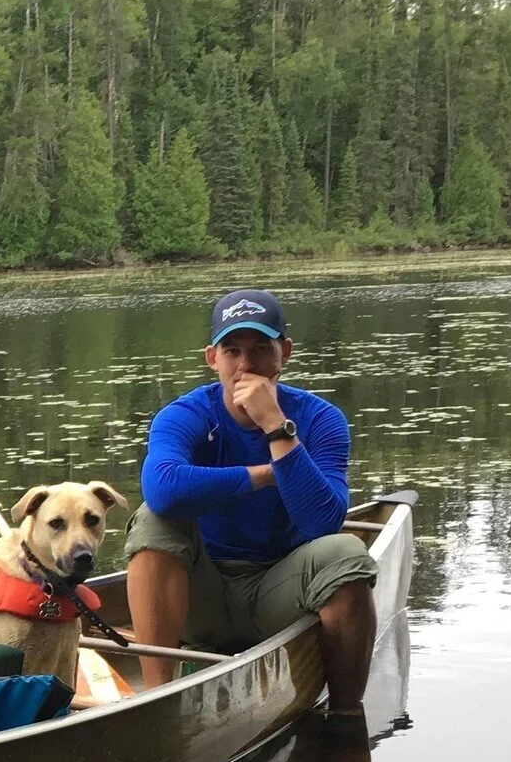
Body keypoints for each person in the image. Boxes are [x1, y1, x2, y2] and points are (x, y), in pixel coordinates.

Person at [123, 289, 378, 713]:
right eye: (232, 350)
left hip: (282, 591)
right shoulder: (185, 415)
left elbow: (323, 523)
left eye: (261, 349)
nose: (246, 365)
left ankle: (346, 715)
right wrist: (269, 474)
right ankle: (156, 702)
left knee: (347, 555)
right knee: (153, 520)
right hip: (199, 592)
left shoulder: (320, 418)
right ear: (212, 358)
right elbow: (162, 488)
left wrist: (277, 427)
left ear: (285, 353)